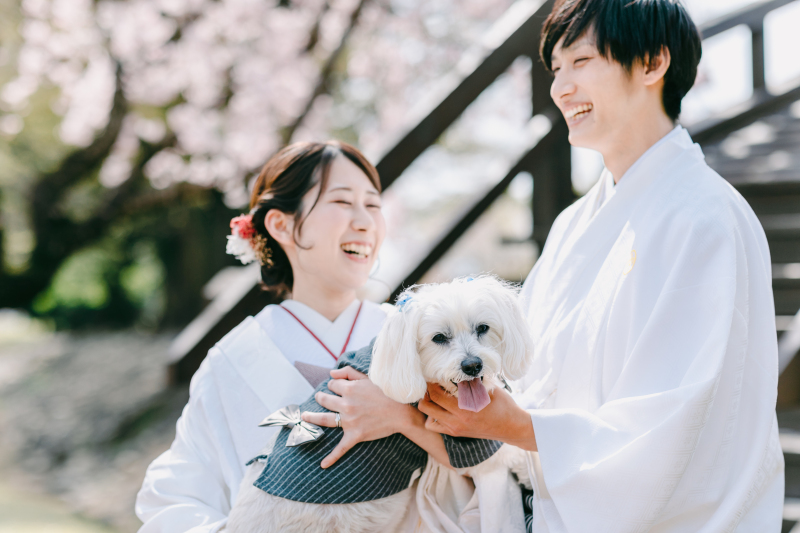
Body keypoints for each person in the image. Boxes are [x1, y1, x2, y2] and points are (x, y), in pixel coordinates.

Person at [415, 0, 785, 530]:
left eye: (581, 62)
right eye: (556, 69)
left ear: (653, 64)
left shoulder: (706, 218)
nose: (560, 88)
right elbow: (521, 365)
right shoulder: (573, 224)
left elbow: (679, 423)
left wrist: (524, 428)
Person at [135, 141, 453, 532]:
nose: (366, 221)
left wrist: (404, 419)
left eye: (373, 205)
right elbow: (176, 497)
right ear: (281, 224)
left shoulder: (423, 339)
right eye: (341, 202)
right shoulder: (233, 359)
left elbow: (487, 464)